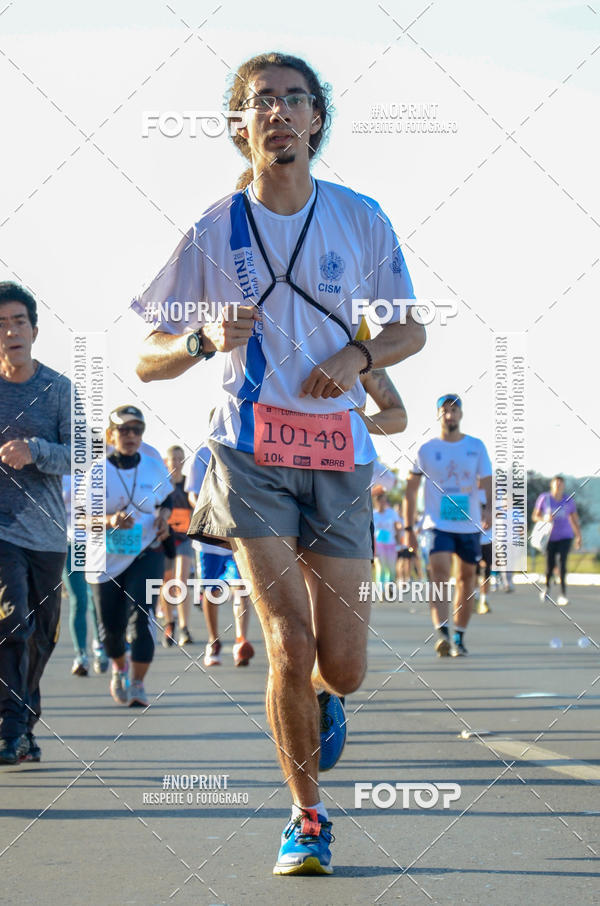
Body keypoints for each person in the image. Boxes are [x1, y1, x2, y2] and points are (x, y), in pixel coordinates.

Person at [132, 52, 424, 875]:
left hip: (336, 451)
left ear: (317, 122)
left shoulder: (360, 218)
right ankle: (307, 818)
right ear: (241, 124)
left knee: (345, 666)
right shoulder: (212, 231)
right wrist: (196, 340)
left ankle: (324, 705)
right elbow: (147, 355)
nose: (281, 113)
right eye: (263, 102)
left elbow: (410, 330)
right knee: (287, 645)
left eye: (297, 100)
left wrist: (362, 359)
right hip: (247, 451)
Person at [0, 283, 71, 765]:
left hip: (46, 533)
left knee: (42, 636)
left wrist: (36, 452)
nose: (10, 332)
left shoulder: (59, 389)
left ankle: (24, 718)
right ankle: (10, 729)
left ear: (34, 330)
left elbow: (81, 455)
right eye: (1, 325)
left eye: (18, 322)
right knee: (12, 624)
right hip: (2, 531)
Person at [86, 406, 172, 707]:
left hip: (146, 551)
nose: (132, 435)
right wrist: (108, 520)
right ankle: (119, 667)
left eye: (138, 430)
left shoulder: (153, 466)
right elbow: (80, 518)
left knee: (142, 615)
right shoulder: (96, 471)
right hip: (105, 557)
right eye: (124, 429)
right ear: (112, 434)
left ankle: (137, 683)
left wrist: (163, 518)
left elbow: (166, 501)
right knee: (110, 629)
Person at [404, 395, 492, 657]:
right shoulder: (426, 449)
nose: (450, 415)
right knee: (439, 570)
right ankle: (442, 631)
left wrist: (488, 508)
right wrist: (409, 529)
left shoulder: (476, 446)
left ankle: (459, 635)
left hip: (469, 522)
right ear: (438, 415)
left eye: (454, 410)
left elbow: (487, 479)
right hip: (436, 522)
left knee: (467, 578)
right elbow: (410, 490)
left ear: (461, 414)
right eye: (445, 411)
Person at [186, 443, 255, 668]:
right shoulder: (203, 453)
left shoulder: (248, 449)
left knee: (242, 587)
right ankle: (213, 640)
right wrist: (210, 515)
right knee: (212, 591)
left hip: (239, 535)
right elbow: (193, 494)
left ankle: (240, 640)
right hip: (210, 540)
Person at [62, 475, 109, 675]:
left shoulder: (100, 470)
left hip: (95, 543)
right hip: (69, 543)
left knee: (94, 597)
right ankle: (80, 655)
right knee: (78, 599)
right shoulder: (58, 469)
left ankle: (99, 647)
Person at [158, 445, 195, 647]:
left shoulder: (188, 484)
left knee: (181, 582)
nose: (178, 462)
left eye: (181, 459)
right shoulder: (162, 485)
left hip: (184, 539)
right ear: (167, 461)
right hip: (165, 539)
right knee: (167, 582)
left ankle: (184, 627)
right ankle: (168, 622)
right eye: (174, 459)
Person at [533, 475, 581, 606]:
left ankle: (563, 594)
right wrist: (544, 518)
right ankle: (547, 587)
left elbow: (574, 519)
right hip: (549, 537)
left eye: (561, 484)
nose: (558, 486)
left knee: (562, 564)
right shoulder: (544, 498)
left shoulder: (568, 500)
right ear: (552, 485)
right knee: (550, 565)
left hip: (565, 536)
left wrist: (578, 536)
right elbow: (535, 516)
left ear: (563, 486)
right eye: (556, 483)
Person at [372, 487, 402, 583]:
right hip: (379, 545)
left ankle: (390, 587)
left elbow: (397, 528)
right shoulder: (373, 514)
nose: (383, 503)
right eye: (381, 501)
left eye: (384, 501)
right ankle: (381, 592)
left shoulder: (392, 513)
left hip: (391, 544)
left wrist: (399, 543)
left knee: (391, 569)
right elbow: (371, 533)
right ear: (377, 501)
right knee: (381, 568)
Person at [475, 488, 492, 614]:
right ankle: (474, 597)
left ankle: (484, 599)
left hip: (489, 539)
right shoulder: (470, 491)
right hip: (473, 537)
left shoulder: (492, 494)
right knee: (473, 571)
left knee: (487, 571)